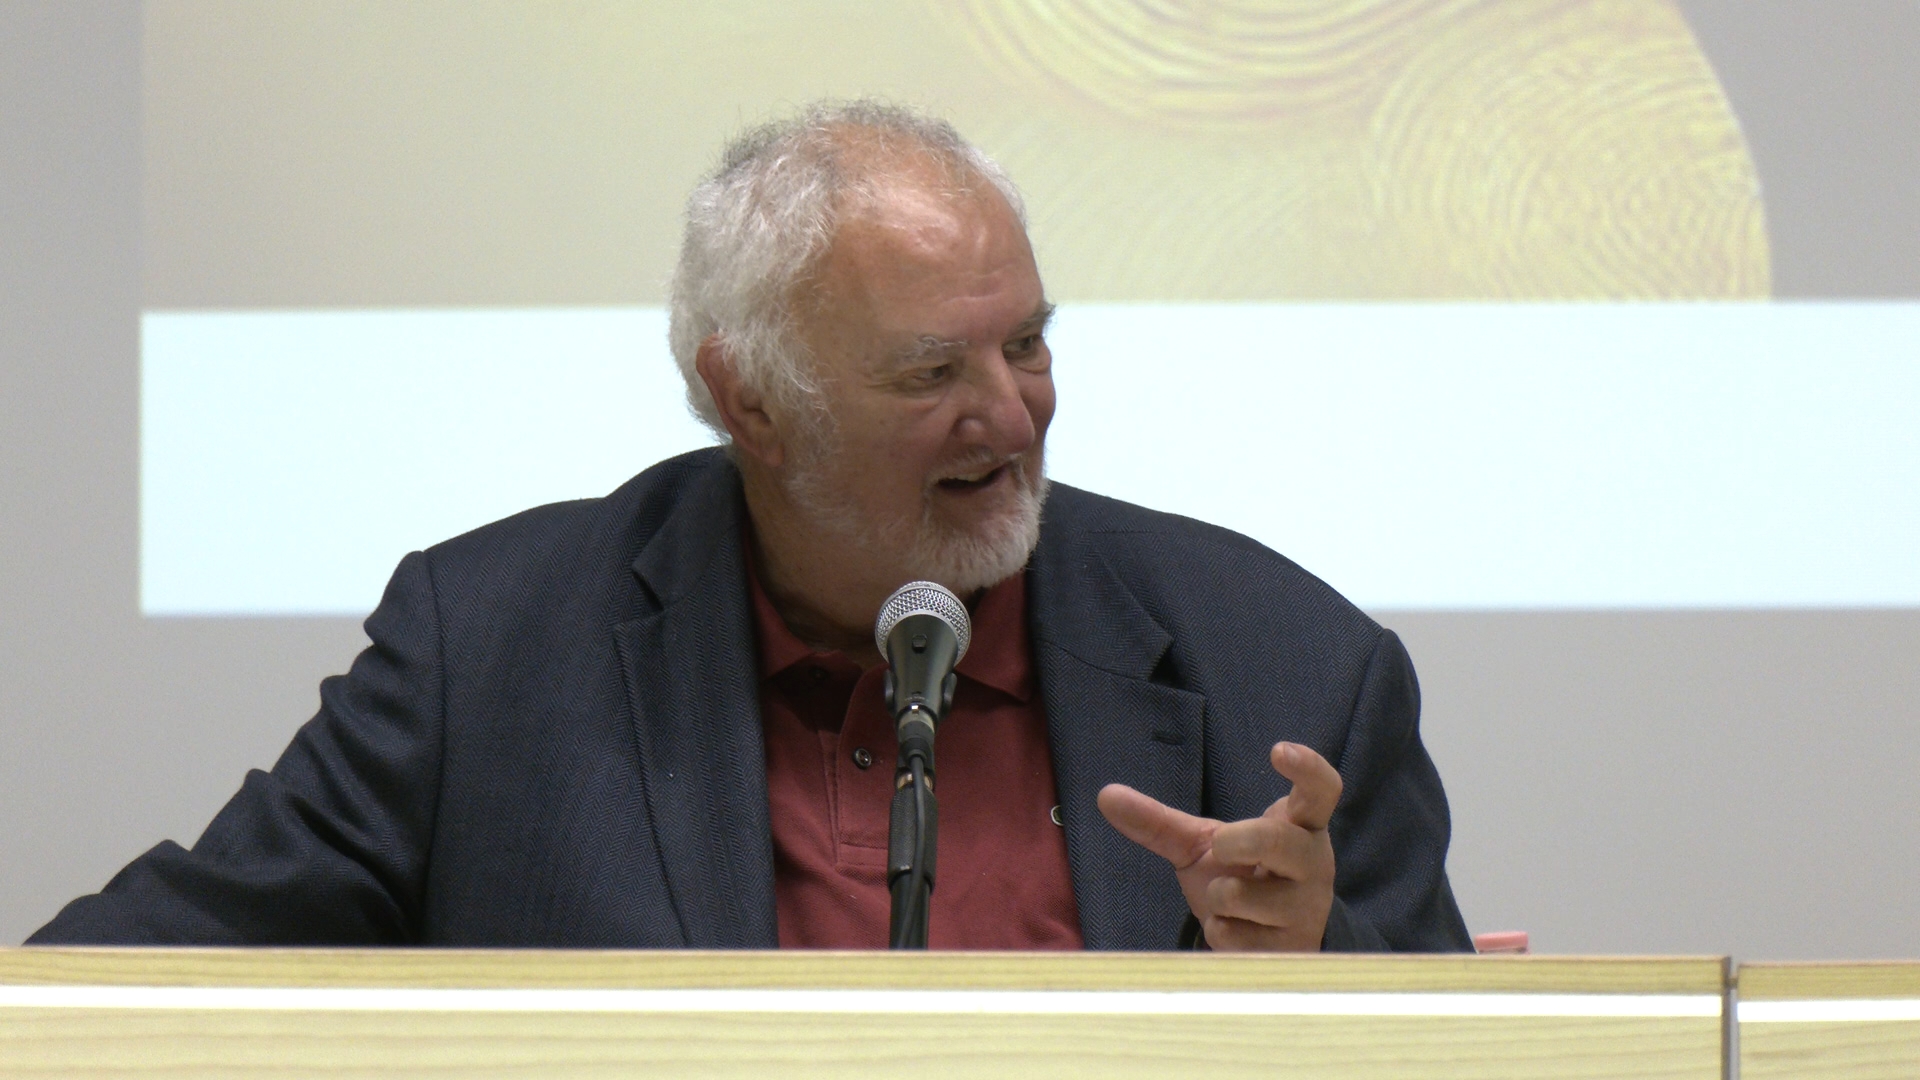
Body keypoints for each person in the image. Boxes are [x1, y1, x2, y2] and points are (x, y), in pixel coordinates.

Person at [30, 101, 1470, 952]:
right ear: (750, 400)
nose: (1012, 413)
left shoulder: (1289, 668)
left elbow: (1460, 1042)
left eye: (1027, 344)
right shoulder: (494, 654)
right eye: (931, 373)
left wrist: (1315, 960)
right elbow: (152, 974)